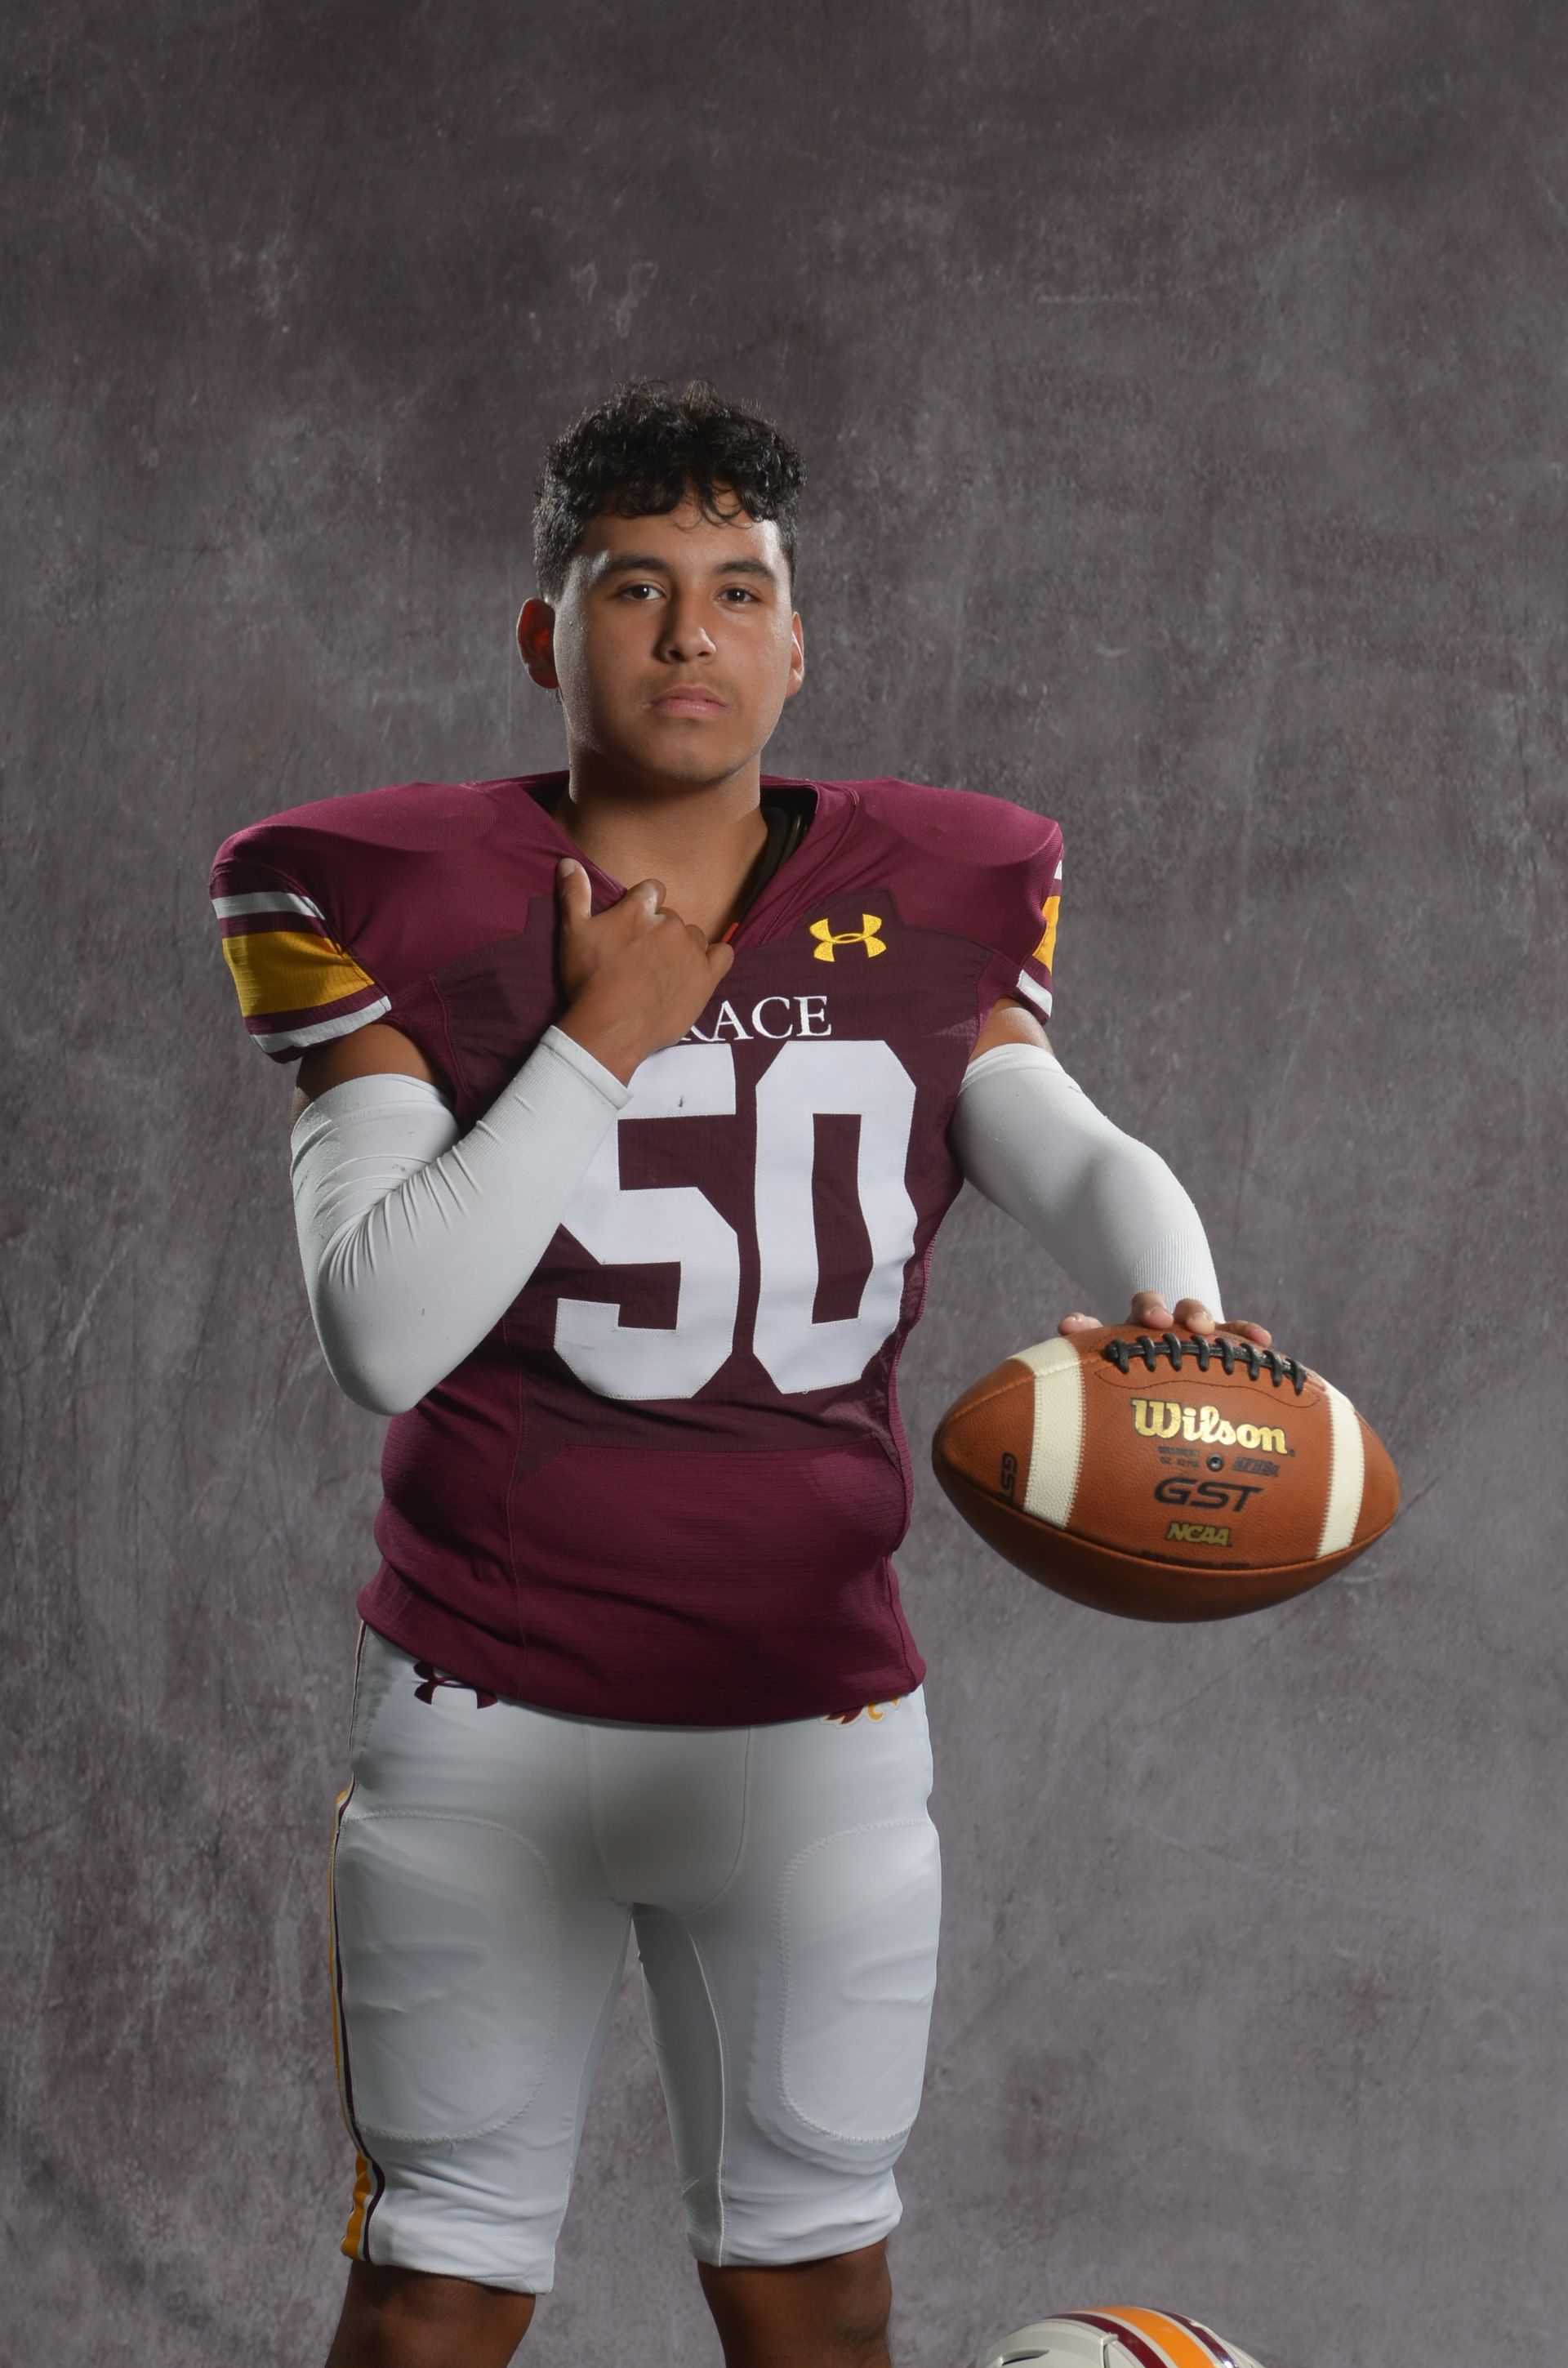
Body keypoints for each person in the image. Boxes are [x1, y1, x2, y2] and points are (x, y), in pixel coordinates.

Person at [209, 380, 1270, 2368]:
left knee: (813, 2294)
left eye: (736, 589)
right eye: (634, 589)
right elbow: (382, 1330)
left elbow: (1072, 1147)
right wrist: (600, 1036)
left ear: (798, 638)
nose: (689, 636)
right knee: (434, 2284)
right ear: (546, 635)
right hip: (484, 1712)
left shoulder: (942, 882)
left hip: (811, 1720)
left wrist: (1172, 1303)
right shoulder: (382, 888)